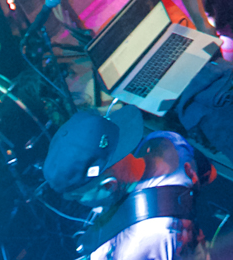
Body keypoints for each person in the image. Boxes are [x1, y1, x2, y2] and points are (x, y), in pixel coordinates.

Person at [45, 108, 209, 260]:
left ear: (109, 185)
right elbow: (209, 173)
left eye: (77, 197)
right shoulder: (165, 140)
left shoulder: (137, 244)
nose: (77, 202)